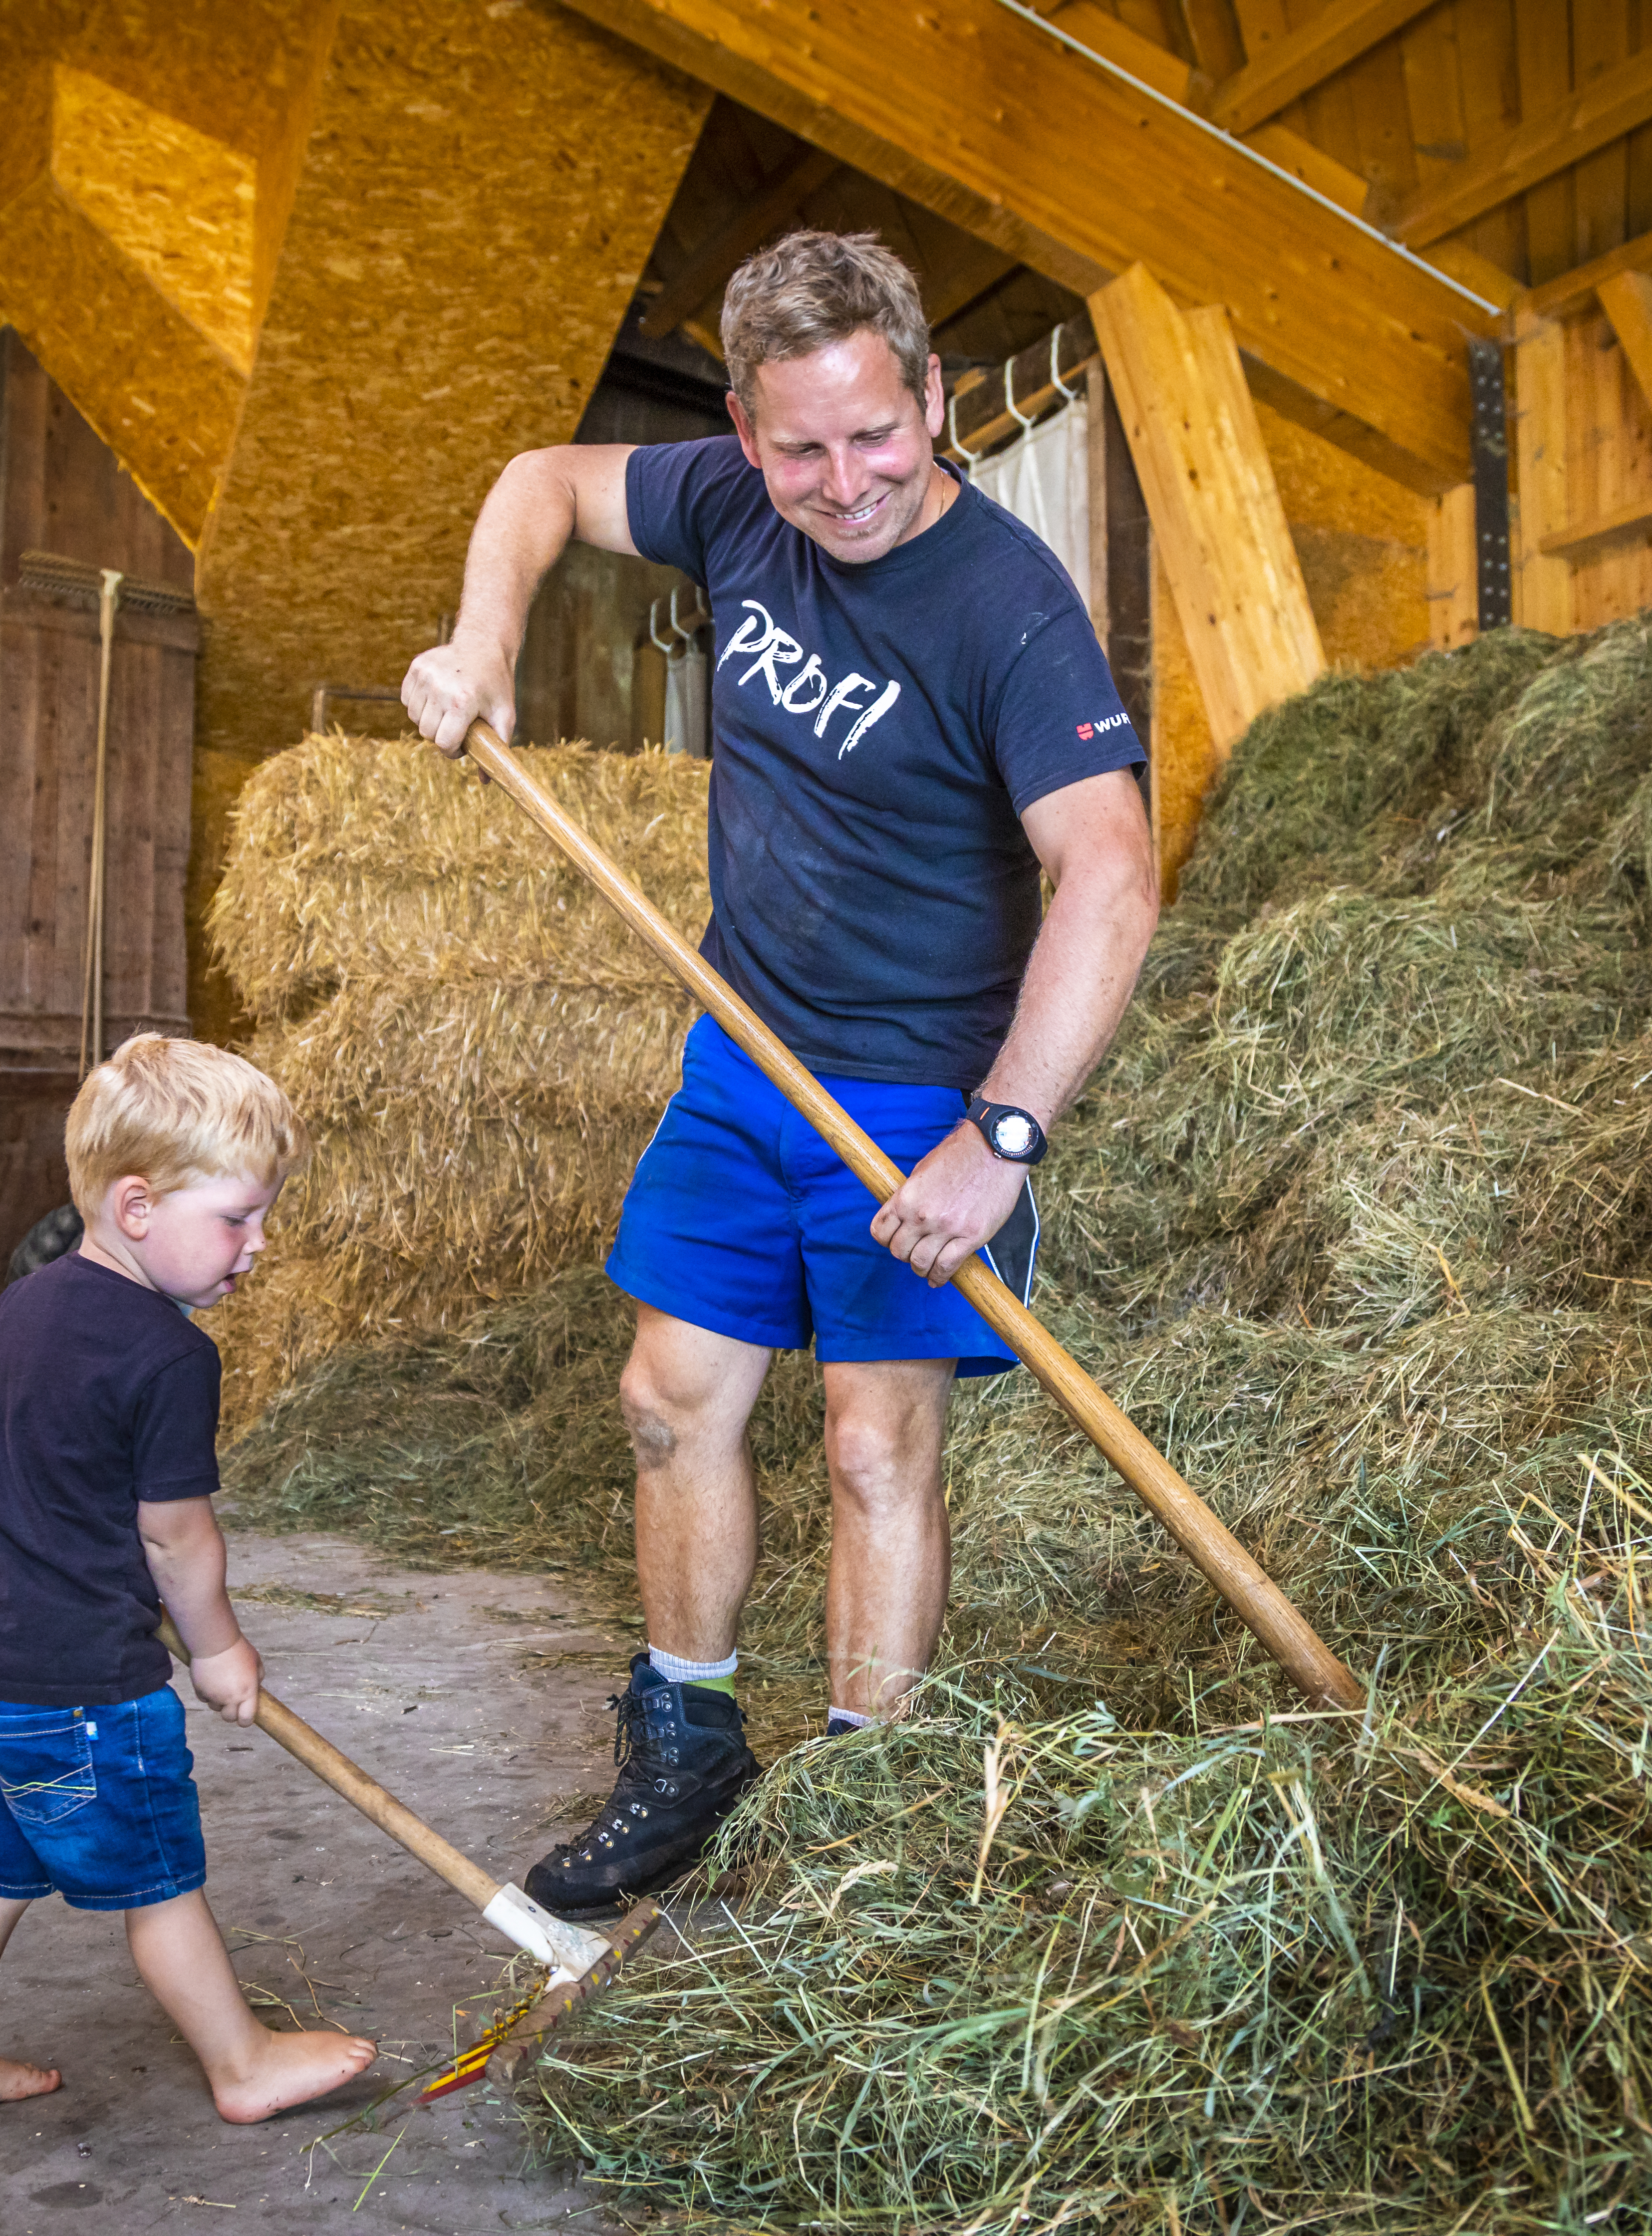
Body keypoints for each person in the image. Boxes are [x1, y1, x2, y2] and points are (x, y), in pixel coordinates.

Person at [401, 231, 1159, 1916]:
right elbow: (537, 480)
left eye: (878, 436)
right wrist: (485, 643)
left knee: (871, 1444)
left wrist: (1002, 1140)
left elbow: (1109, 874)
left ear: (933, 398)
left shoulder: (1008, 606)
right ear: (744, 431)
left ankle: (869, 1810)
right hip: (745, 1048)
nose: (844, 484)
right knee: (669, 1400)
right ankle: (688, 1749)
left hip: (923, 1087)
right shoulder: (736, 502)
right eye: (800, 447)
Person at [0, 1034, 375, 2126]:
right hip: (76, 1688)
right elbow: (176, 1537)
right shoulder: (168, 1354)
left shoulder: (30, 1301)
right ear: (139, 1204)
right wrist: (217, 1648)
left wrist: (8, 1450)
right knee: (158, 1879)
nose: (256, 1247)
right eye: (238, 1217)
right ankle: (242, 2063)